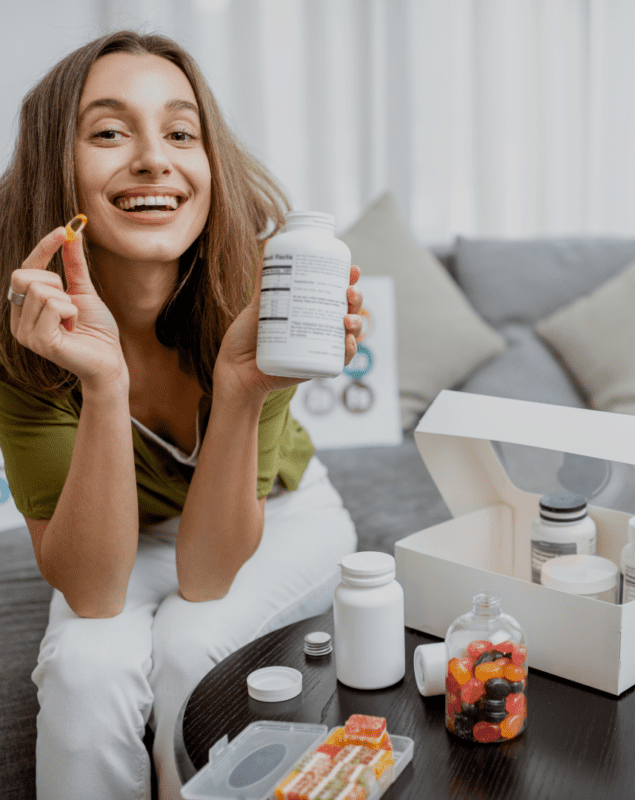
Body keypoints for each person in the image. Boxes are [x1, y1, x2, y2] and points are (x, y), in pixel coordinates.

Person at [0, 30, 363, 800]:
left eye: (179, 132)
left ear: (209, 164)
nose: (153, 159)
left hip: (279, 517)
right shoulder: (22, 325)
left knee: (191, 645)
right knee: (83, 673)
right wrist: (102, 384)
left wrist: (240, 388)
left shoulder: (264, 292)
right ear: (52, 169)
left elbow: (206, 576)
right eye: (107, 131)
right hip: (114, 532)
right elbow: (94, 591)